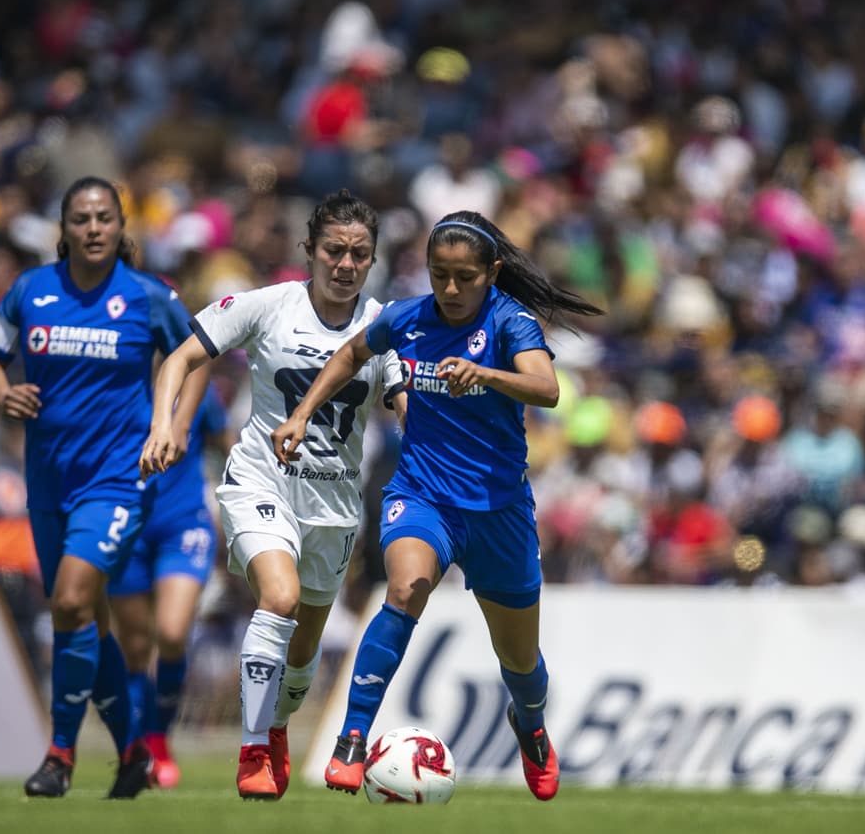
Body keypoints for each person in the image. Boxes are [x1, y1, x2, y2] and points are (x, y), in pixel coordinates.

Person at [271, 210, 601, 802]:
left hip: (499, 511)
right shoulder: (407, 318)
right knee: (405, 588)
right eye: (438, 275)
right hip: (422, 496)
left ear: (491, 273)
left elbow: (547, 389)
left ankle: (529, 724)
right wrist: (301, 414)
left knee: (520, 661)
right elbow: (349, 355)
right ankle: (352, 737)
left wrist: (486, 374)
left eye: (464, 278)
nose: (450, 289)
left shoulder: (510, 321)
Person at [140, 190, 406, 800]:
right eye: (334, 250)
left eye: (359, 254)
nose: (345, 264)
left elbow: (404, 405)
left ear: (372, 260)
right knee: (278, 597)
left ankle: (277, 725)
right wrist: (165, 425)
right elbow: (180, 359)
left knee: (303, 652)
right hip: (261, 483)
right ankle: (254, 748)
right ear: (309, 251)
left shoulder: (383, 325)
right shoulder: (267, 305)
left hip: (333, 509)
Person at [0, 176, 206, 800]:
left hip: (117, 480)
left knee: (72, 599)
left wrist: (175, 426)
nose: (94, 228)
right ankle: (133, 751)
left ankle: (60, 755)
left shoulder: (147, 296)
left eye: (105, 217)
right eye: (82, 218)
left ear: (121, 226)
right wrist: (2, 393)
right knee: (83, 618)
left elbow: (198, 356)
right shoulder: (31, 291)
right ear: (64, 229)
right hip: (48, 481)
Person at [107, 382, 231, 789]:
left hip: (184, 522)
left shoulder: (199, 392)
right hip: (126, 521)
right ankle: (137, 743)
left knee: (173, 632)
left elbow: (227, 445)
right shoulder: (119, 385)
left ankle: (159, 737)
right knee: (135, 647)